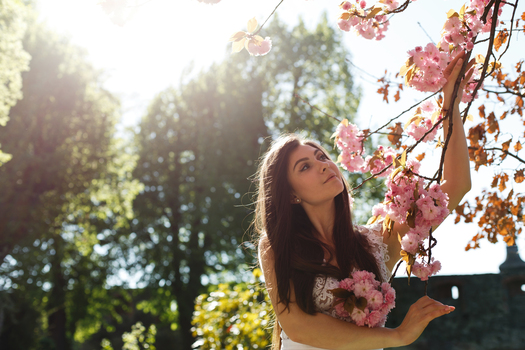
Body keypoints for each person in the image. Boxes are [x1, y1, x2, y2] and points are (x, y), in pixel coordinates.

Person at [255, 51, 474, 350]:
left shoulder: (377, 240)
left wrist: (451, 105)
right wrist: (397, 335)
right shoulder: (276, 245)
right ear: (290, 194)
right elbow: (299, 326)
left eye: (321, 156)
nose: (323, 164)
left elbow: (456, 187)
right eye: (304, 166)